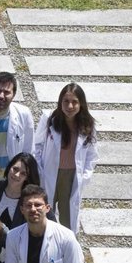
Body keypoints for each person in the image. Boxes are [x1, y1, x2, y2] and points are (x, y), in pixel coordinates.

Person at [34, 82, 98, 233]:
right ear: (60, 102)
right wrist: (39, 169)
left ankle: (67, 245)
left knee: (68, 219)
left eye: (74, 102)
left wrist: (85, 176)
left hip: (71, 177)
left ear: (81, 104)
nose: (70, 106)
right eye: (66, 101)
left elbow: (92, 154)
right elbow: (37, 145)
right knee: (45, 214)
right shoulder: (49, 119)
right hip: (49, 173)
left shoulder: (88, 124)